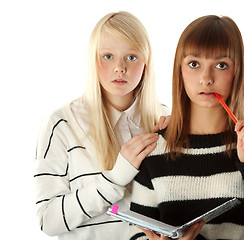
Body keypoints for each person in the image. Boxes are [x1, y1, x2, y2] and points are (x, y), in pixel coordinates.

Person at [128, 15, 244, 240]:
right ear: (179, 71)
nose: (206, 78)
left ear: (237, 71)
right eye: (194, 64)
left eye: (221, 65)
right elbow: (137, 233)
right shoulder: (155, 148)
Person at [34, 11, 169, 239]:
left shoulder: (164, 118)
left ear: (146, 64)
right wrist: (114, 179)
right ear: (92, 60)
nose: (120, 68)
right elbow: (48, 220)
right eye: (108, 56)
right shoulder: (62, 124)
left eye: (132, 57)